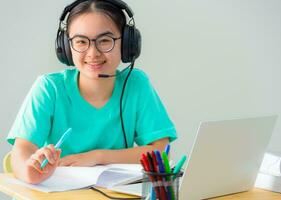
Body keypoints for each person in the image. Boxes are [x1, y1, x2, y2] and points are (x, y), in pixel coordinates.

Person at [6, 0, 177, 184]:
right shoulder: (49, 88)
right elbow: (21, 151)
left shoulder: (136, 84)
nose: (93, 53)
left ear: (128, 44)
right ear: (66, 46)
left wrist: (97, 156)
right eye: (81, 42)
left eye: (105, 41)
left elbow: (160, 152)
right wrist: (29, 170)